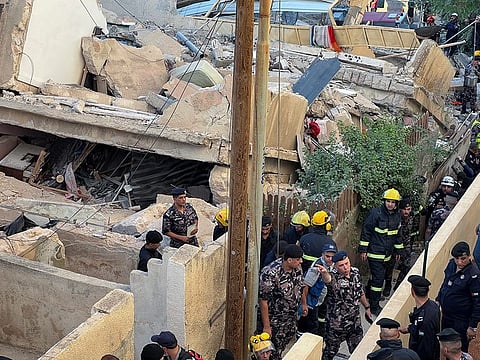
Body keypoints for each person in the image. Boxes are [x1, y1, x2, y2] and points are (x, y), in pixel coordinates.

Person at [359, 188, 403, 315]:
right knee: (378, 281)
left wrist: (398, 250)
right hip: (375, 253)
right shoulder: (375, 213)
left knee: (377, 276)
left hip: (387, 254)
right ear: (384, 201)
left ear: (396, 204)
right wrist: (363, 249)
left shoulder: (397, 216)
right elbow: (366, 231)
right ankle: (374, 306)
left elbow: (397, 235)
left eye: (393, 202)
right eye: (388, 201)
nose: (390, 204)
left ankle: (368, 293)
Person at [322, 251, 372, 360]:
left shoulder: (355, 272)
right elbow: (328, 280)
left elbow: (360, 291)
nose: (345, 267)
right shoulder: (334, 277)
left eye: (347, 263)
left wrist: (367, 307)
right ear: (335, 266)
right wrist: (324, 273)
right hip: (337, 325)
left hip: (354, 322)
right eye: (341, 265)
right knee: (329, 353)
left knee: (359, 352)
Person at [259, 244, 305, 360]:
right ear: (289, 260)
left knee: (282, 347)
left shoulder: (297, 268)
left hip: (290, 320)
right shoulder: (270, 273)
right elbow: (263, 301)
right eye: (298, 259)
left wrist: (304, 304)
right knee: (272, 353)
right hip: (275, 321)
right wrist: (267, 326)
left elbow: (301, 287)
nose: (301, 261)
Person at [436, 241, 480, 352]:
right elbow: (445, 283)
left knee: (458, 349)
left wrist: (472, 326)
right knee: (445, 345)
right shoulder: (452, 265)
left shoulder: (474, 274)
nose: (459, 262)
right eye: (457, 259)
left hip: (461, 320)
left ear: (469, 256)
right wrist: (439, 299)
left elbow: (478, 302)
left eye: (463, 259)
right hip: (447, 316)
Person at [399, 275, 440, 360]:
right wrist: (408, 329)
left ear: (412, 292)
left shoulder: (426, 318)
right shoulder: (432, 306)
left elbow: (426, 346)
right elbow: (418, 326)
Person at [297, 243, 334, 337]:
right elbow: (305, 285)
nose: (330, 259)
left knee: (322, 320)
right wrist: (304, 304)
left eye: (332, 257)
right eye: (327, 256)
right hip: (311, 301)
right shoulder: (316, 267)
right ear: (322, 254)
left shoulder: (333, 264)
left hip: (322, 299)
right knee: (309, 324)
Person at [393, 198, 420, 291]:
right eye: (404, 209)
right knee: (388, 267)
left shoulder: (412, 217)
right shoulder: (395, 218)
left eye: (408, 209)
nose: (406, 212)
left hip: (406, 245)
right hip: (394, 246)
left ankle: (398, 286)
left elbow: (414, 230)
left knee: (406, 266)